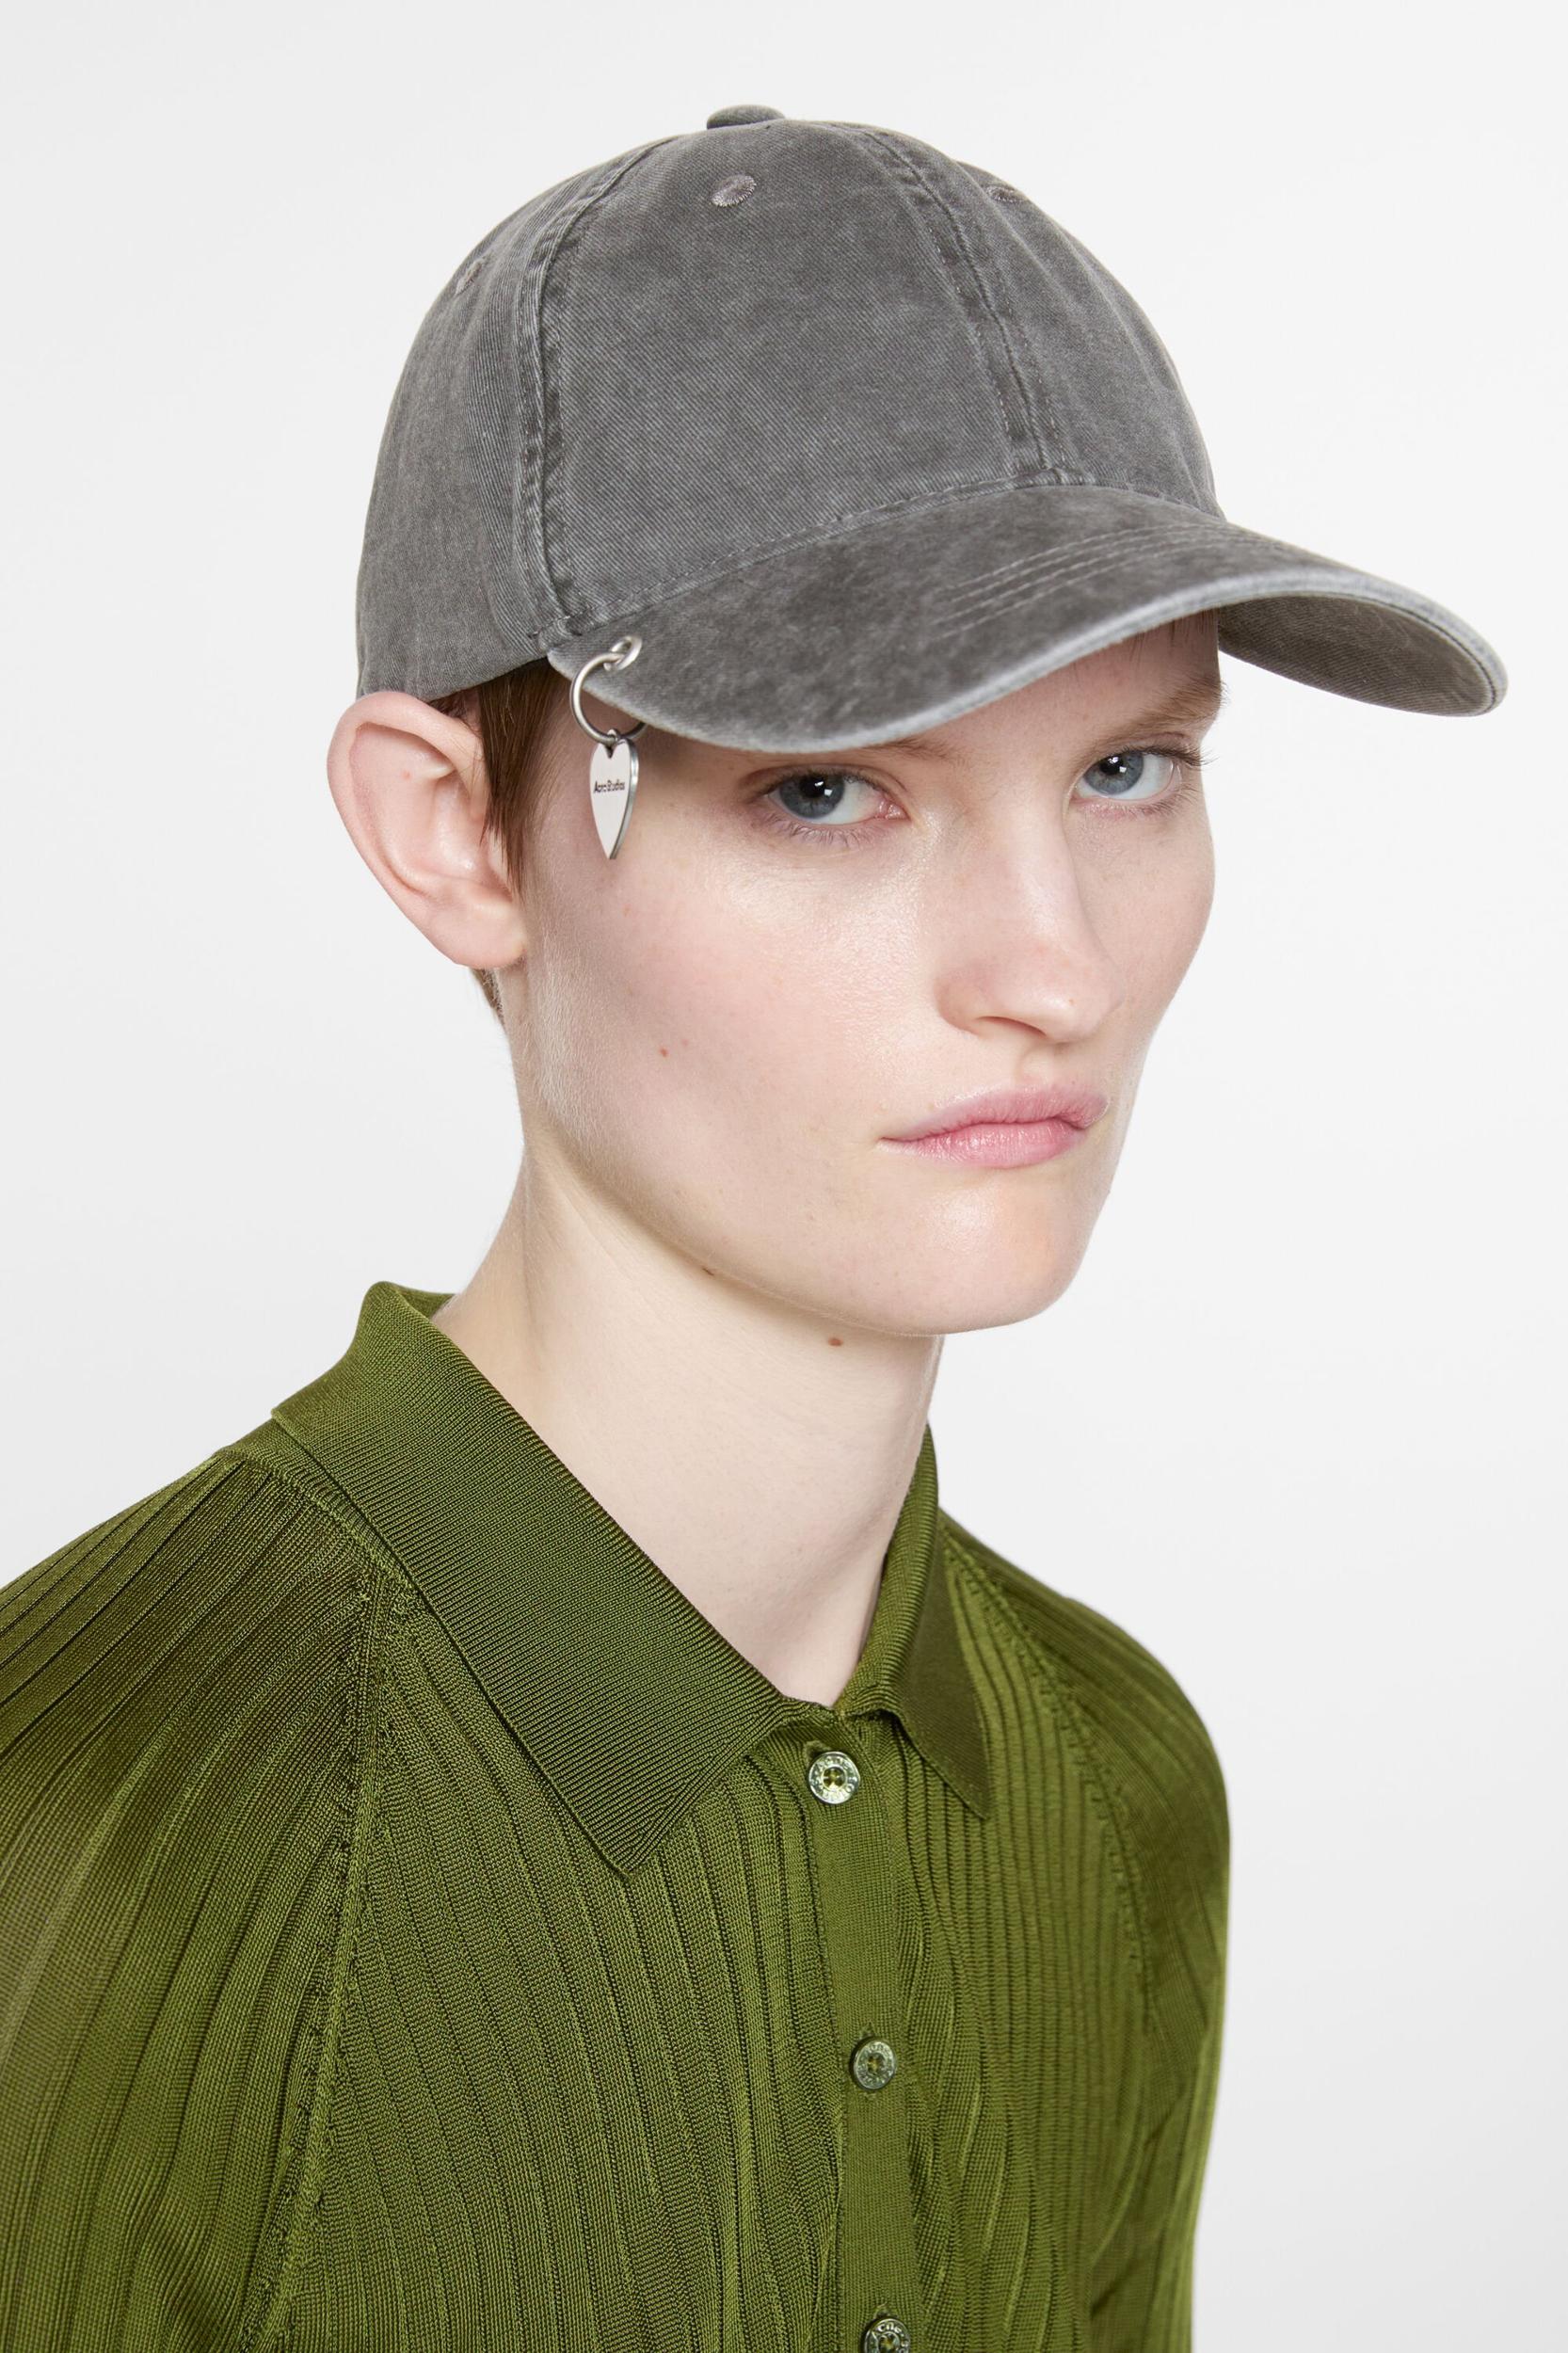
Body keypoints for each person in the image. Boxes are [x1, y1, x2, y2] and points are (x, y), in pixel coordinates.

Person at [0, 104, 1504, 2353]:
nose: (1050, 966)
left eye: (1126, 770)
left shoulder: (1108, 1778)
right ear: (454, 834)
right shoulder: (88, 1819)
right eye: (823, 788)